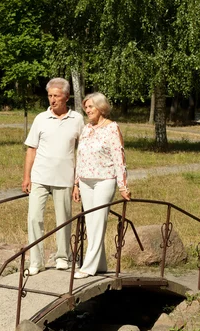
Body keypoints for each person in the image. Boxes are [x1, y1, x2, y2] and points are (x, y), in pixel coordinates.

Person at [22, 78, 84, 275]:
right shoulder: (41, 118)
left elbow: (82, 152)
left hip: (64, 178)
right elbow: (31, 150)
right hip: (40, 176)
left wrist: (77, 183)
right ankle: (36, 261)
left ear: (66, 97)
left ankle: (62, 257)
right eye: (50, 96)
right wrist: (26, 177)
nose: (52, 100)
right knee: (34, 218)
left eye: (56, 96)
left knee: (63, 219)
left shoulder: (77, 119)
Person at [72, 92, 130, 279]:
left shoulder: (112, 128)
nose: (87, 111)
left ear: (101, 108)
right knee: (91, 222)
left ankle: (88, 267)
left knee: (98, 221)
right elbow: (79, 157)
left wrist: (123, 186)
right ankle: (101, 263)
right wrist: (76, 184)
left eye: (91, 107)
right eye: (86, 108)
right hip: (85, 181)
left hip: (105, 180)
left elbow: (119, 159)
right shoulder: (87, 129)